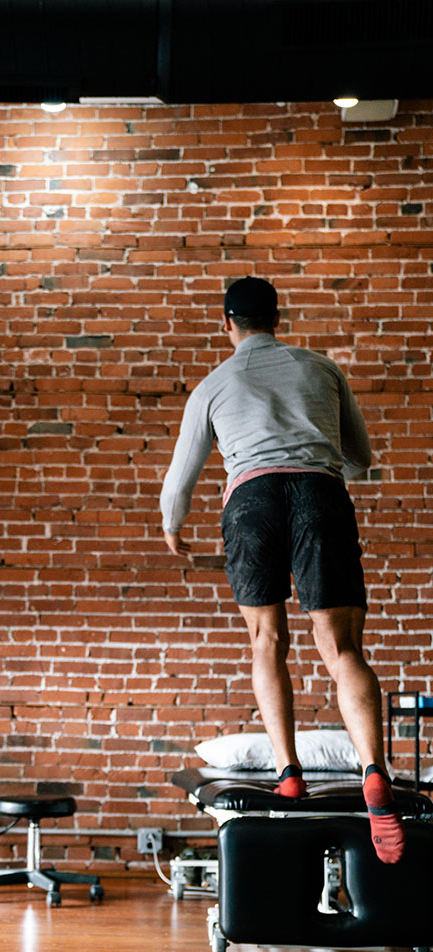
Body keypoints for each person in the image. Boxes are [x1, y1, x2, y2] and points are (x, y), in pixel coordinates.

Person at [159, 276, 405, 865]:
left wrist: (174, 530)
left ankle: (287, 771)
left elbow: (180, 480)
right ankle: (374, 772)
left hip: (251, 503)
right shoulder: (321, 368)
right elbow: (361, 456)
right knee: (343, 648)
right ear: (277, 317)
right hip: (320, 494)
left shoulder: (213, 386)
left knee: (267, 638)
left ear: (228, 324)